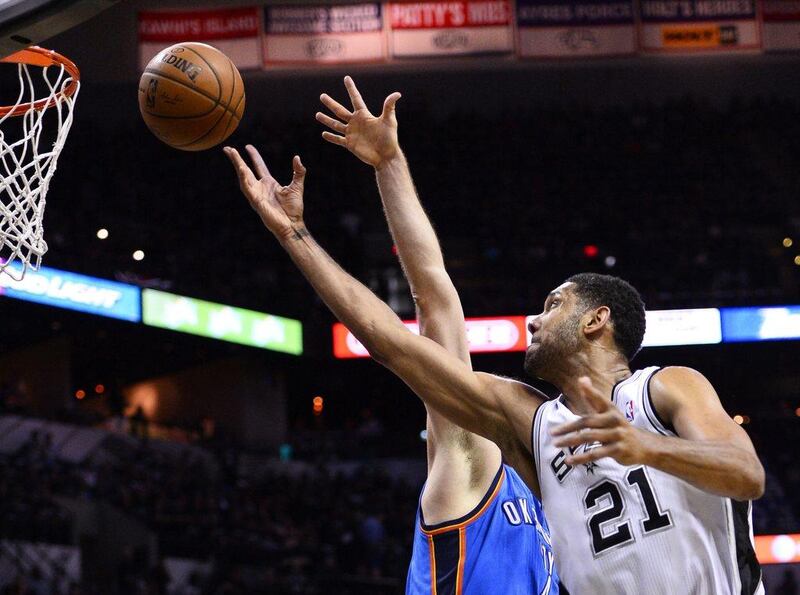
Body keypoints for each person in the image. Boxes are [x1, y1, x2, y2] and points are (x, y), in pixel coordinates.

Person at [223, 78, 764, 594]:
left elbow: (746, 473)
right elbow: (392, 336)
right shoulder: (528, 421)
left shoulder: (663, 389)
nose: (533, 320)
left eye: (553, 306)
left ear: (598, 320)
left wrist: (644, 445)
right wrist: (301, 229)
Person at [319, 76, 557, 593]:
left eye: (555, 306)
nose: (537, 320)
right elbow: (435, 298)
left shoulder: (560, 501)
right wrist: (389, 165)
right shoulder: (476, 459)